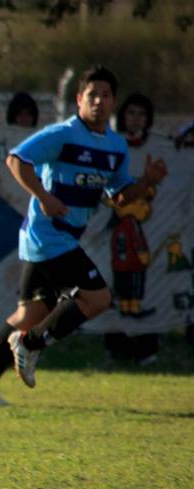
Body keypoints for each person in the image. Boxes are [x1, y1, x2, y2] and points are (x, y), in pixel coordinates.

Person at [0, 66, 167, 406]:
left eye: (105, 95)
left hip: (59, 238)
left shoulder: (115, 146)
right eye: (92, 95)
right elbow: (17, 160)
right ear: (78, 100)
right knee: (97, 298)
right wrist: (44, 197)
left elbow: (118, 198)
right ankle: (31, 344)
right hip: (48, 235)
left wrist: (148, 183)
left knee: (28, 315)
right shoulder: (63, 134)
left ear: (113, 101)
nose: (99, 101)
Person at [104, 92, 159, 364]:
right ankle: (115, 345)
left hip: (144, 234)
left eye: (141, 114)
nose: (135, 119)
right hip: (114, 239)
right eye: (131, 113)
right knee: (112, 286)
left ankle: (146, 346)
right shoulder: (110, 146)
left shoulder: (160, 148)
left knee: (142, 287)